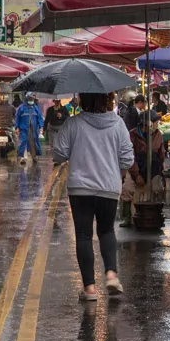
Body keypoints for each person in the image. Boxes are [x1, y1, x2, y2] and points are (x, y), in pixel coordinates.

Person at [51, 91, 134, 301]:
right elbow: (127, 160)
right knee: (106, 231)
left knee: (84, 235)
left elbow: (58, 154)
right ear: (108, 99)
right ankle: (112, 275)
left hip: (81, 189)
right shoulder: (118, 124)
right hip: (109, 187)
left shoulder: (73, 123)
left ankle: (89, 289)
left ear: (83, 100)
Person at [14, 94, 44, 164]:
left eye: (32, 99)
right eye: (30, 99)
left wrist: (41, 127)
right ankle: (23, 157)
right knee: (23, 142)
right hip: (23, 129)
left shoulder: (35, 108)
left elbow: (40, 118)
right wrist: (16, 127)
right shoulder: (21, 108)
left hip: (34, 129)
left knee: (33, 142)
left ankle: (34, 156)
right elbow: (17, 118)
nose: (31, 101)